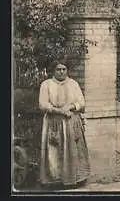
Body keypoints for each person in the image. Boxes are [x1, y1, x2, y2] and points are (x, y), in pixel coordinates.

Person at [38, 60, 90, 189]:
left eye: (64, 69)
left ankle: (75, 179)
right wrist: (58, 110)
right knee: (54, 150)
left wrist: (71, 106)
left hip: (71, 121)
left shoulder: (73, 84)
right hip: (54, 122)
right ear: (53, 71)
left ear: (67, 70)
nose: (61, 72)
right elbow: (42, 104)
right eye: (58, 69)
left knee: (74, 150)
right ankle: (55, 181)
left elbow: (81, 103)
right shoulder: (47, 84)